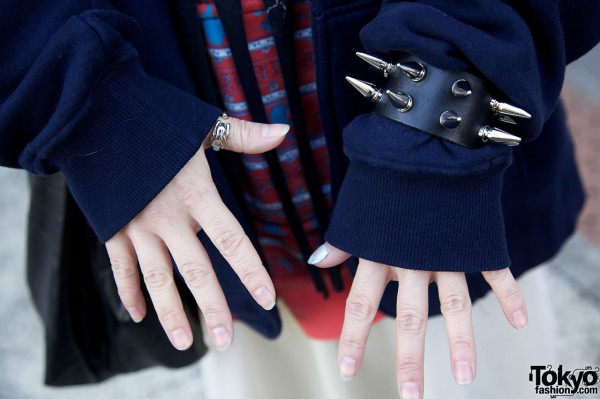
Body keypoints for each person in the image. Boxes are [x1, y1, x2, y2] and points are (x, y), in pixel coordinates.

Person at [1, 0, 599, 398]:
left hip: (449, 211)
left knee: (479, 369)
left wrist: (430, 139)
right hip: (208, 208)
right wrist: (100, 116)